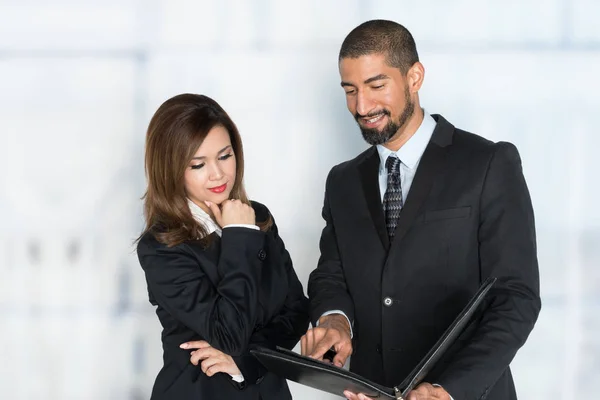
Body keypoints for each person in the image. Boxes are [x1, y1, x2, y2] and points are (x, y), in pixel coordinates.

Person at [301, 20, 541, 400]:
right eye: (350, 90)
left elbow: (515, 298)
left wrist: (449, 389)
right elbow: (332, 273)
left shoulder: (488, 163)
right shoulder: (342, 181)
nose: (362, 107)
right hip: (372, 392)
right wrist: (335, 322)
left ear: (414, 77)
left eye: (376, 86)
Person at [136, 93, 309, 399]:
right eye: (198, 164)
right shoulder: (161, 247)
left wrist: (245, 361)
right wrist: (239, 234)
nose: (217, 174)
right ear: (172, 169)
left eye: (225, 156)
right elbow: (229, 334)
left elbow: (296, 312)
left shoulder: (259, 217)